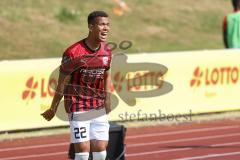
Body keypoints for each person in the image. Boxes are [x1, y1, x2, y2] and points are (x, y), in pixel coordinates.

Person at [41, 10, 112, 160]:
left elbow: (107, 73)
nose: (106, 28)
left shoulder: (107, 51)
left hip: (98, 105)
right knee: (83, 149)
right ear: (91, 27)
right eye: (102, 25)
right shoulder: (73, 53)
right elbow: (62, 83)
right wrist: (53, 108)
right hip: (77, 105)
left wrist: (108, 98)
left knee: (101, 147)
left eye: (107, 25)